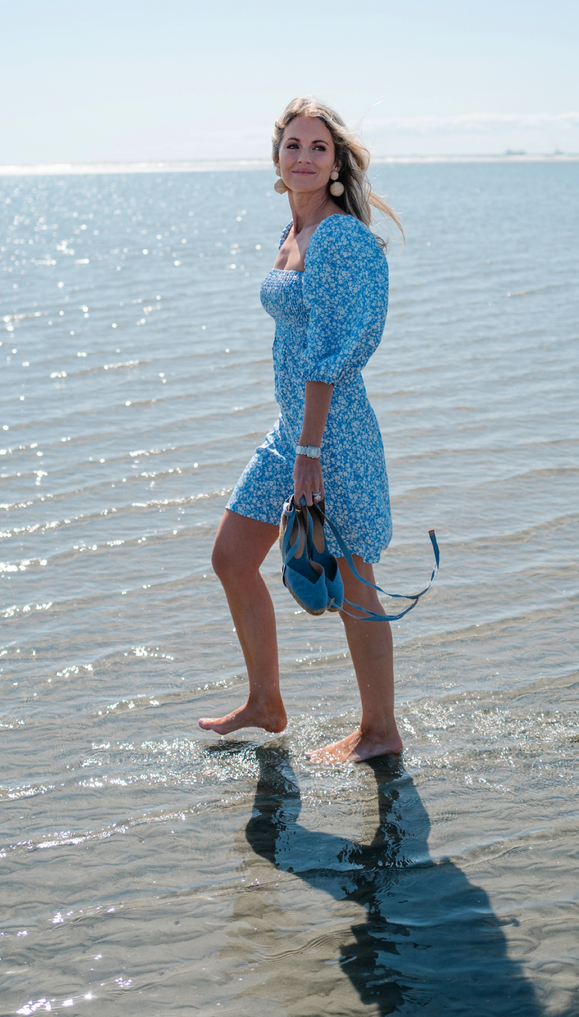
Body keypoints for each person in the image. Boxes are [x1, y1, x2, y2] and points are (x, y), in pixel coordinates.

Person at [199, 96, 404, 764]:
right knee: (232, 555)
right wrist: (298, 438)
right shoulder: (293, 231)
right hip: (292, 429)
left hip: (330, 434)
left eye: (318, 147)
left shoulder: (339, 237)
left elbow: (335, 350)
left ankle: (379, 731)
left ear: (337, 161)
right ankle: (266, 701)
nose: (305, 156)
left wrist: (311, 449)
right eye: (293, 145)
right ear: (277, 159)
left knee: (353, 583)